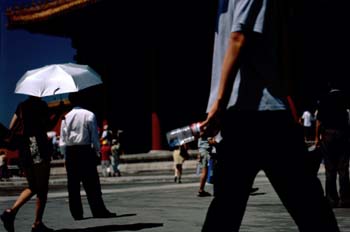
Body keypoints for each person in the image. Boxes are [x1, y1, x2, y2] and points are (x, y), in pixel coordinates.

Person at [200, 1, 340, 231]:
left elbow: (239, 39)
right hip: (265, 115)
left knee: (225, 209)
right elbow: (239, 38)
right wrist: (220, 104)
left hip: (243, 114)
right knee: (310, 207)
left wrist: (220, 105)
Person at [59, 92, 116, 220]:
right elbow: (94, 137)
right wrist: (97, 151)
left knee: (73, 185)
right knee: (92, 183)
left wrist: (64, 156)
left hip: (71, 152)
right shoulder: (89, 114)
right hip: (85, 151)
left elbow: (62, 141)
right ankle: (98, 211)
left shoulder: (65, 117)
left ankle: (77, 213)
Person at [1, 96, 54, 232]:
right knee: (42, 188)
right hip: (38, 148)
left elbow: (12, 126)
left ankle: (11, 213)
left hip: (24, 149)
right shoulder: (42, 105)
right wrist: (58, 113)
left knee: (33, 186)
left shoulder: (21, 106)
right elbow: (48, 126)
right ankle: (36, 223)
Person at [315, 82, 350, 208]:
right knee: (343, 168)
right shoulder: (345, 99)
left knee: (330, 168)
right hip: (342, 134)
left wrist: (317, 138)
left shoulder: (324, 100)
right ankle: (345, 198)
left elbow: (319, 122)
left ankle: (331, 199)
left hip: (328, 135)